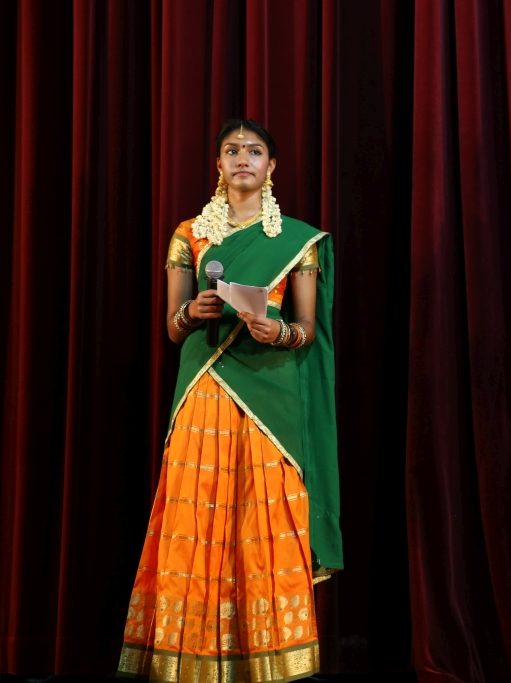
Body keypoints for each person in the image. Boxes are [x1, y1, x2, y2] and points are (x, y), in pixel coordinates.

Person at [117, 119, 342, 680]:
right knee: (198, 510)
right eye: (232, 150)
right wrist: (191, 313)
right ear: (218, 165)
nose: (243, 158)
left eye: (255, 150)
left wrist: (279, 332)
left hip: (272, 396)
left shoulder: (298, 240)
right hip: (205, 386)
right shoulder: (189, 234)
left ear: (272, 167)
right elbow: (173, 328)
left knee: (265, 513)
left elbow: (307, 328)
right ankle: (190, 656)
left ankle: (274, 659)